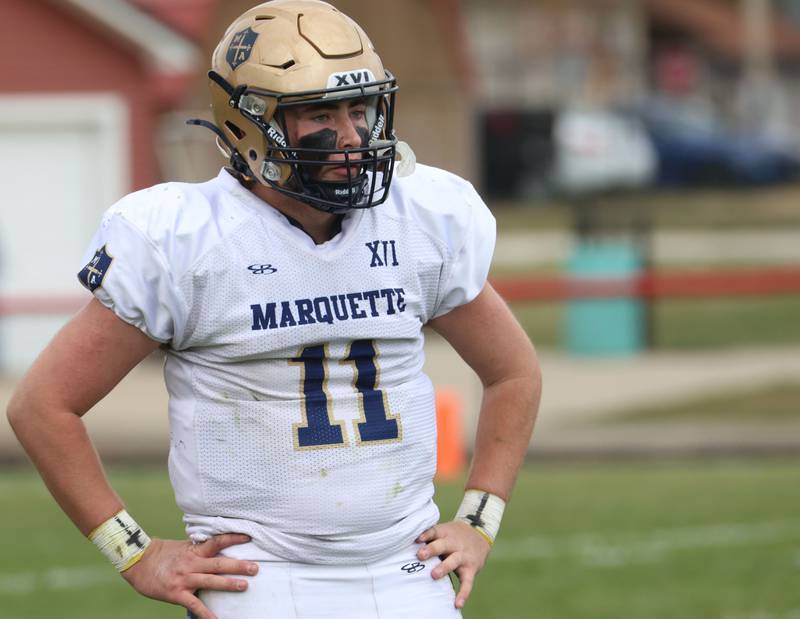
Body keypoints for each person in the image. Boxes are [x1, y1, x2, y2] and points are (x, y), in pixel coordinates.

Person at [6, 1, 541, 618]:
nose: (351, 136)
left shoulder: (420, 218)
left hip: (406, 565)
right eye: (319, 113)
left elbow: (514, 373)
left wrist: (478, 518)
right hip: (261, 575)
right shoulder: (187, 239)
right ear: (248, 125)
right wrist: (134, 551)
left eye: (359, 108)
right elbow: (43, 406)